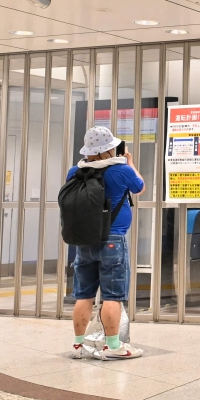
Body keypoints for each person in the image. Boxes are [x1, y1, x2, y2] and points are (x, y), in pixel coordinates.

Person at [68, 126, 145, 360]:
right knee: (112, 296)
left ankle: (79, 346)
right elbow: (139, 186)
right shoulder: (121, 170)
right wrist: (130, 162)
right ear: (110, 148)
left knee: (84, 295)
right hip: (113, 240)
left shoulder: (75, 171)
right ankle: (112, 346)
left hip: (84, 240)